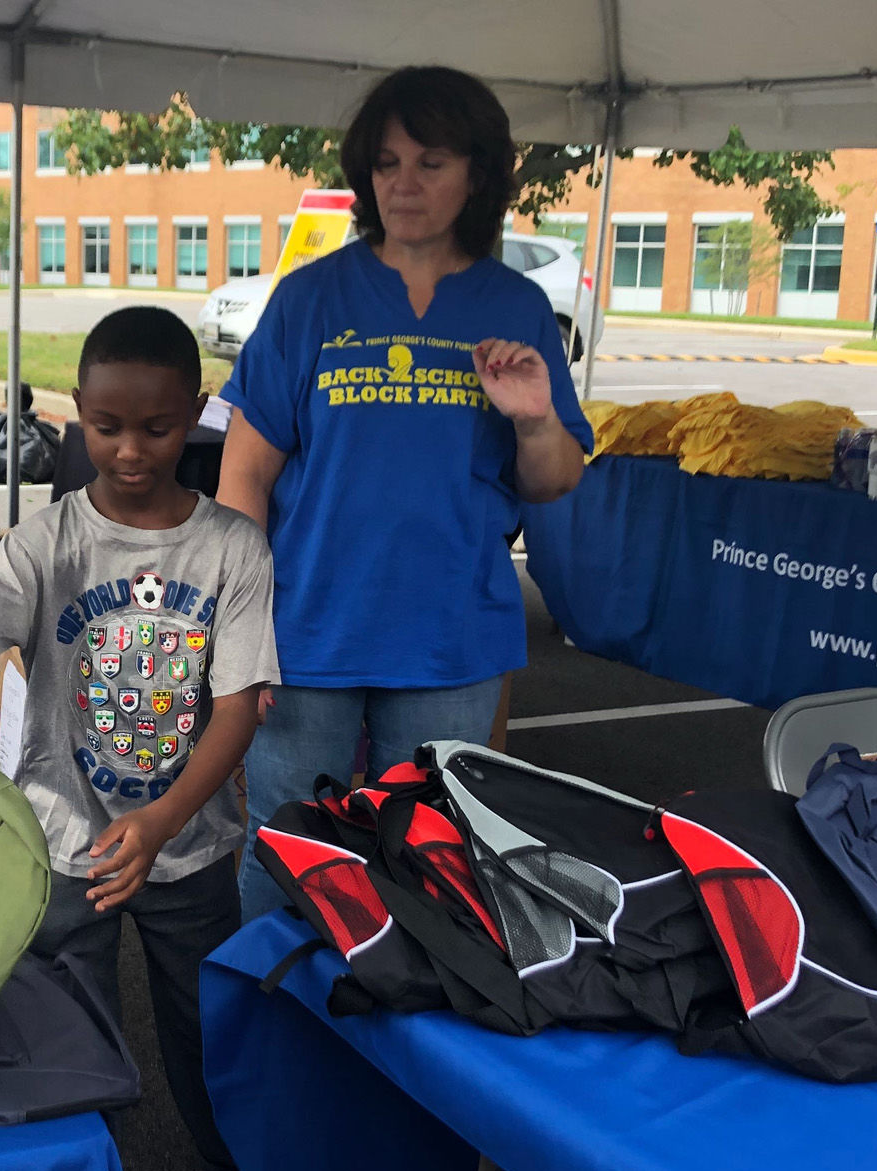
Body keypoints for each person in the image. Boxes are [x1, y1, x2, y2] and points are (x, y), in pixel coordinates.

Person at [0, 305, 312, 1171]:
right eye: (108, 427)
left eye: (158, 428)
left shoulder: (233, 552)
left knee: (205, 1029)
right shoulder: (45, 543)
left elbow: (239, 709)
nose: (130, 451)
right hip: (59, 851)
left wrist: (165, 818)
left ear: (198, 415)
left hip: (191, 850)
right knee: (60, 1035)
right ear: (77, 414)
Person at [216, 65, 594, 921]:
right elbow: (243, 473)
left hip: (450, 637)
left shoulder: (516, 307)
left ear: (479, 175)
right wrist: (238, 629)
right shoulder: (311, 300)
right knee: (287, 857)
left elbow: (555, 479)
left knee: (436, 868)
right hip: (307, 630)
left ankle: (396, 1050)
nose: (404, 184)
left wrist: (535, 421)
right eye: (387, 163)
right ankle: (274, 1040)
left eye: (431, 161)